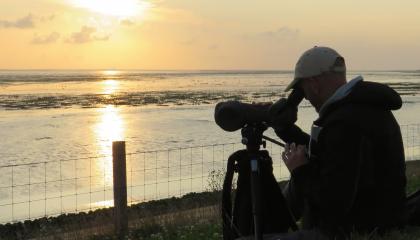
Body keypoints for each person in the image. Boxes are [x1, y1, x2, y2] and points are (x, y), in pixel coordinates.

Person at [271, 46, 407, 239]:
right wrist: (285, 130)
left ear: (314, 84)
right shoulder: (361, 108)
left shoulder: (345, 122)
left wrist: (300, 171)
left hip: (353, 229)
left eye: (302, 90)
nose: (305, 97)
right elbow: (333, 152)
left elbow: (334, 204)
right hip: (378, 218)